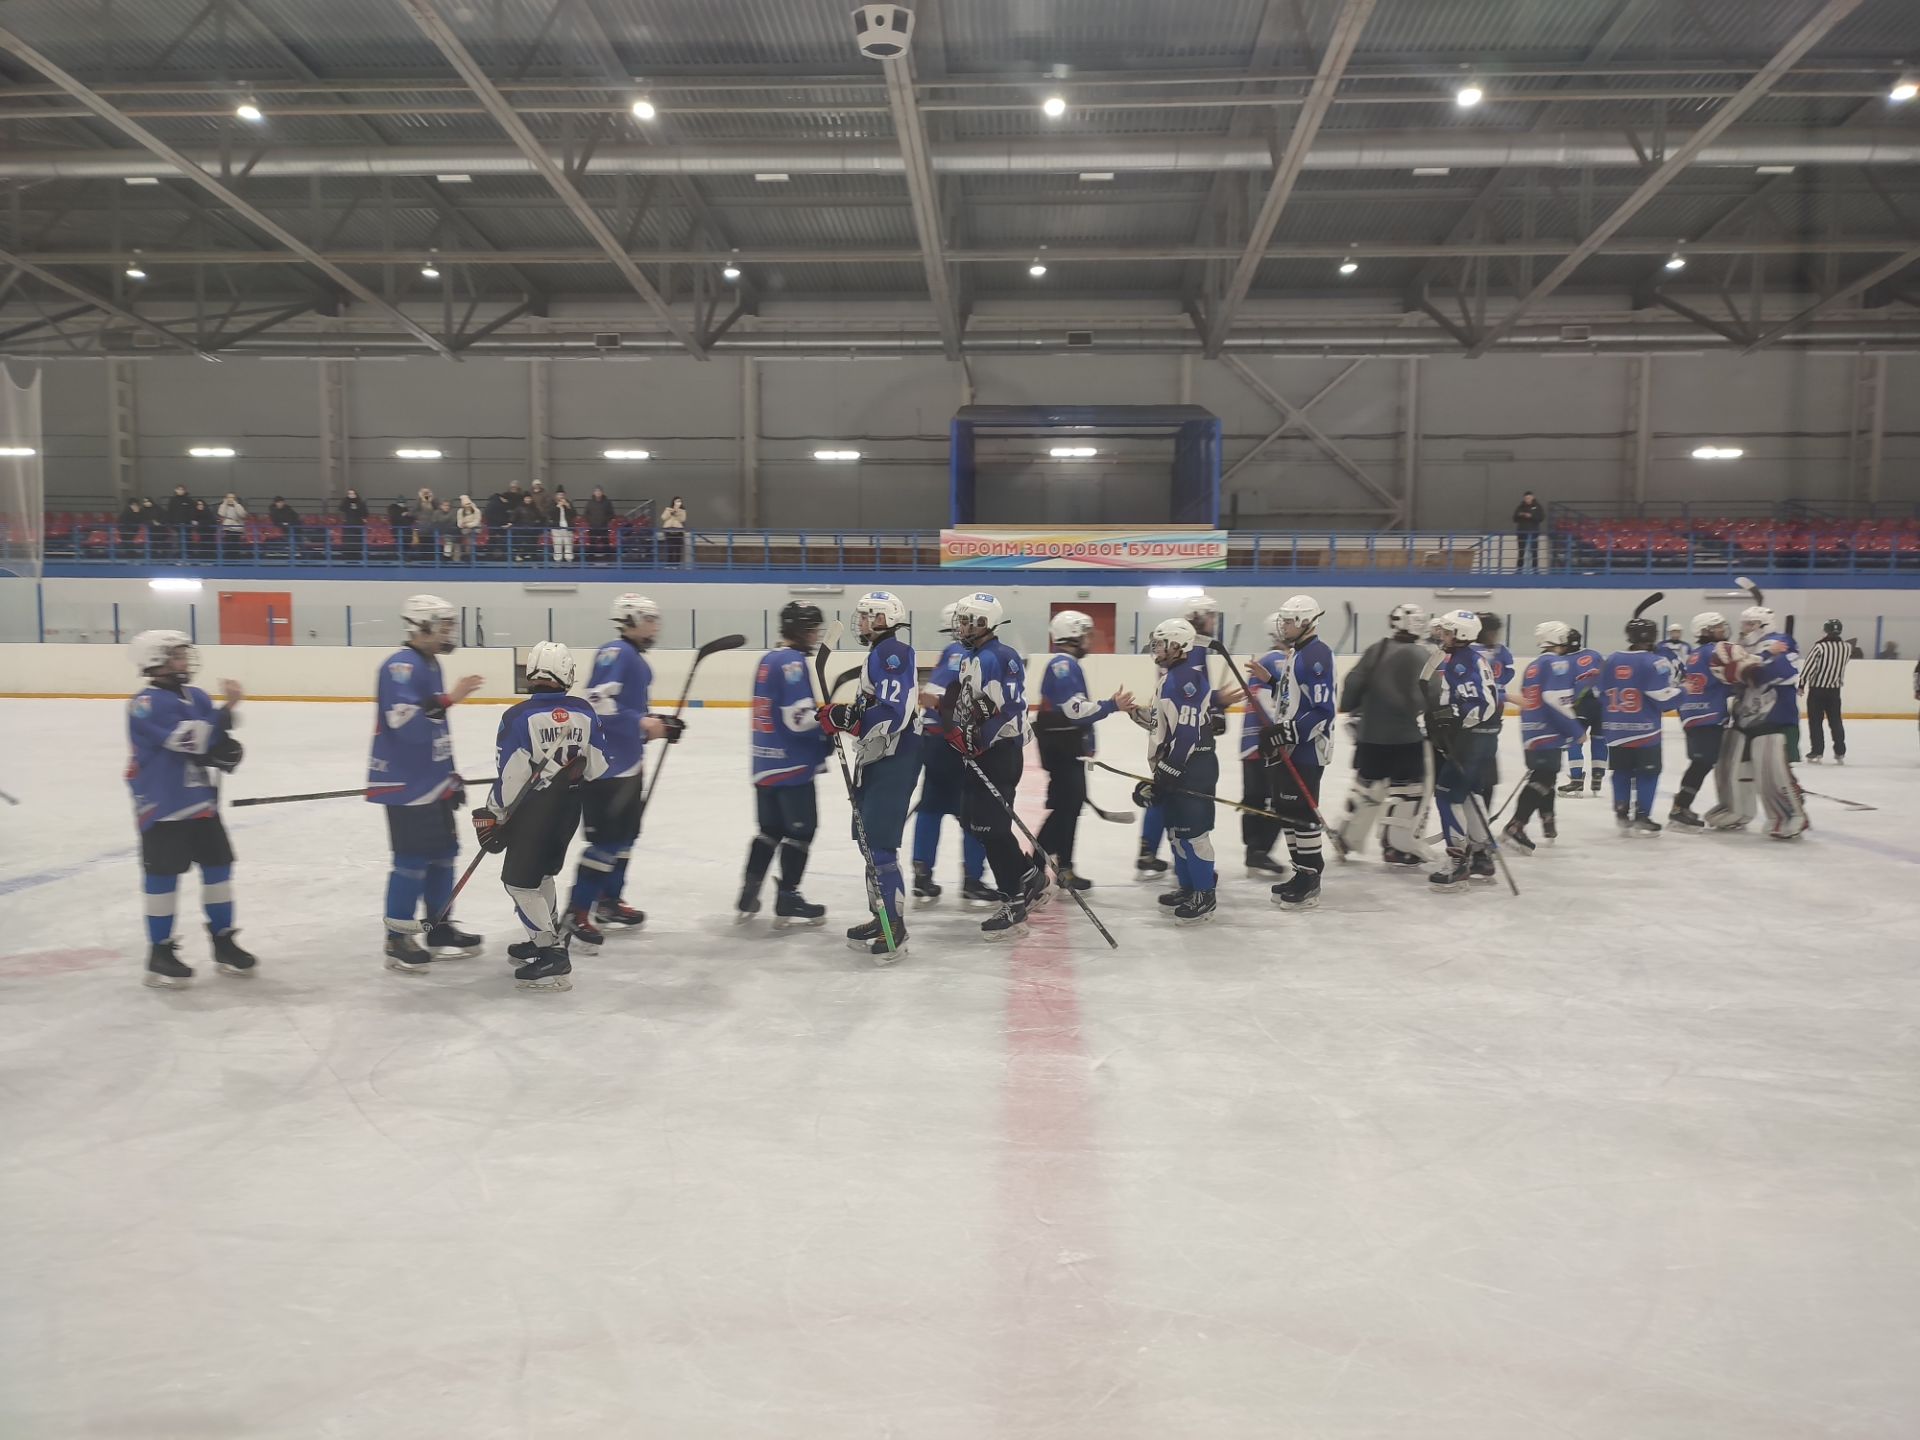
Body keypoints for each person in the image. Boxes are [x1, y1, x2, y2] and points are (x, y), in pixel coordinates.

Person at [474, 642, 609, 992]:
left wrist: (494, 813)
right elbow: (598, 766)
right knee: (543, 874)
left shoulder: (518, 717)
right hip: (568, 811)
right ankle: (543, 940)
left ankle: (551, 954)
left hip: (532, 813)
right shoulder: (584, 711)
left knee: (518, 882)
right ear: (566, 673)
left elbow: (511, 778)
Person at [124, 630, 255, 987]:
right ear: (154, 661)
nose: (184, 661)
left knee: (219, 869)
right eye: (176, 655)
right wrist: (226, 711)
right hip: (163, 804)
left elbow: (209, 736)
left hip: (200, 803)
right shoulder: (145, 704)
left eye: (184, 654)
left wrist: (223, 748)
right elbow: (191, 738)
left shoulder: (194, 695)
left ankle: (224, 940)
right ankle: (160, 951)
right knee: (163, 877)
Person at [368, 594, 487, 972]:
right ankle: (398, 937)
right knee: (411, 861)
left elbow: (436, 730)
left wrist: (449, 774)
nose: (450, 632)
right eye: (444, 625)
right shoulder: (399, 667)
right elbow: (407, 725)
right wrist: (451, 699)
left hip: (432, 782)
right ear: (421, 626)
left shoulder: (430, 663)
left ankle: (439, 927)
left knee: (444, 855)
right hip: (404, 784)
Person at [568, 593, 683, 942]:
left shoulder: (633, 658)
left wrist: (658, 724)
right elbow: (595, 701)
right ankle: (577, 911)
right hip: (607, 771)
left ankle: (609, 902)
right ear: (631, 620)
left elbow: (625, 709)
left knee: (625, 839)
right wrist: (643, 724)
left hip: (627, 765)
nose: (656, 626)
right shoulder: (617, 653)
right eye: (650, 619)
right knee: (605, 842)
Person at [820, 590, 922, 961]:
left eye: (867, 616)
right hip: (879, 755)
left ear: (885, 619)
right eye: (860, 615)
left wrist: (848, 718)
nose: (860, 622)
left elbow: (895, 712)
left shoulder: (892, 652)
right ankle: (881, 916)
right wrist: (844, 717)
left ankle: (894, 925)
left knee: (878, 842)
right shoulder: (878, 653)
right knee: (865, 839)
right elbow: (871, 710)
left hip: (896, 757)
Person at [736, 602, 832, 928]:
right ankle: (788, 895)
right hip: (792, 765)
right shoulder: (792, 663)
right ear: (800, 630)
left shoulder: (768, 659)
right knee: (802, 831)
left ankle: (748, 892)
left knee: (769, 831)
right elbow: (798, 717)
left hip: (764, 763)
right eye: (812, 629)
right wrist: (830, 723)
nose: (816, 635)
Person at [1332, 602, 1437, 866]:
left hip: (1369, 736)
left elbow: (1352, 685)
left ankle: (1347, 834)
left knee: (1367, 786)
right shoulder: (1421, 654)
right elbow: (1432, 695)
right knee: (1409, 791)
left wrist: (1354, 708)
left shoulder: (1375, 649)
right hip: (1404, 737)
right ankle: (1396, 845)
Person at [1032, 610, 1130, 890]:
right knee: (1064, 809)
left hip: (1066, 747)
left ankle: (1063, 867)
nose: (1090, 639)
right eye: (1086, 634)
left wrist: (1088, 742)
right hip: (1061, 750)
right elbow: (1075, 711)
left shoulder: (1067, 664)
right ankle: (1033, 867)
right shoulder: (1062, 666)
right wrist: (1112, 705)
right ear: (1073, 635)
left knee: (1069, 808)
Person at [1133, 618, 1222, 924]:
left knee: (1193, 835)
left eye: (1160, 643)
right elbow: (1166, 726)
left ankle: (1204, 894)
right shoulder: (1171, 677)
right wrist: (1138, 715)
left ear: (1177, 645)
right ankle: (1188, 887)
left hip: (1192, 767)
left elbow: (1187, 735)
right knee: (1176, 834)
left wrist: (1167, 773)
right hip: (1178, 766)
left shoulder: (1185, 680)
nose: (1155, 649)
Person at [1251, 595, 1337, 910]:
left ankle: (1311, 877)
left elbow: (1322, 710)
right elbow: (1294, 698)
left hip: (1307, 749)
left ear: (1304, 622)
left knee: (1302, 815)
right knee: (1287, 812)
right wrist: (1272, 681)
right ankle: (1300, 870)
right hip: (1288, 746)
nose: (1282, 626)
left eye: (1287, 621)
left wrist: (1287, 732)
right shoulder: (1298, 653)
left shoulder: (1316, 655)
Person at [911, 601, 991, 905]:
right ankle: (972, 879)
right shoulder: (966, 655)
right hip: (954, 744)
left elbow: (932, 696)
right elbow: (945, 700)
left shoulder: (948, 653)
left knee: (930, 808)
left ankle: (922, 874)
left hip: (932, 743)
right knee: (971, 813)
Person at [1707, 604, 1807, 840]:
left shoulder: (1782, 641)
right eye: (1744, 624)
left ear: (1764, 624)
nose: (1745, 629)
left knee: (1771, 770)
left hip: (1774, 716)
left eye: (1750, 624)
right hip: (1744, 716)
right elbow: (1740, 673)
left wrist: (1756, 661)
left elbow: (1784, 673)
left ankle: (1789, 814)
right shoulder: (1746, 647)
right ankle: (1735, 809)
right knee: (1730, 766)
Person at [1424, 609, 1500, 891]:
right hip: (1479, 739)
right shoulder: (1462, 658)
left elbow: (1483, 705)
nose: (1442, 636)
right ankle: (1482, 854)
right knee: (1469, 793)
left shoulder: (1463, 662)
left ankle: (1458, 862)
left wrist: (1451, 718)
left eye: (1447, 632)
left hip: (1472, 740)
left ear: (1461, 634)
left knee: (1447, 794)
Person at [1502, 622, 1581, 853]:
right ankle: (1516, 826)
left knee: (1545, 777)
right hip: (1548, 730)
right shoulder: (1557, 662)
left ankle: (1548, 818)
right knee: (1543, 779)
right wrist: (1575, 730)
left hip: (1532, 729)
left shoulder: (1535, 664)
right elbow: (1555, 699)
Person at [1601, 612, 1683, 835]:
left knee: (1621, 771)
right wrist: (1684, 692)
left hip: (1616, 730)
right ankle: (1642, 816)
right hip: (1645, 731)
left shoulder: (1612, 659)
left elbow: (1601, 691)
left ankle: (1620, 811)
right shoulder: (1654, 661)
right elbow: (1663, 697)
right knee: (1648, 773)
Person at [1238, 611, 1291, 879]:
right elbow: (1267, 701)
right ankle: (1258, 851)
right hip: (1265, 744)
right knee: (1271, 799)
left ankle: (1256, 852)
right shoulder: (1276, 660)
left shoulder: (1275, 659)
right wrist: (1282, 730)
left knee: (1257, 799)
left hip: (1256, 743)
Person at [1669, 612, 1733, 831]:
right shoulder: (1713, 650)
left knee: (1702, 762)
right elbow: (1730, 676)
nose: (1722, 630)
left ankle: (1681, 806)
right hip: (1707, 714)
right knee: (1703, 762)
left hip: (1694, 713)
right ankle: (1679, 808)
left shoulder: (1697, 653)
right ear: (1704, 631)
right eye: (1716, 627)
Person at [1471, 612, 1514, 806]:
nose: (1495, 635)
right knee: (1480, 768)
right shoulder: (1469, 652)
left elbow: (1509, 672)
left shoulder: (1499, 650)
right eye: (1493, 631)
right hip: (1475, 717)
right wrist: (1500, 692)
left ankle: (1480, 820)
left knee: (1487, 767)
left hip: (1493, 716)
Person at [1561, 628, 1608, 797]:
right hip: (1602, 703)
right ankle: (1597, 776)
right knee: (1599, 739)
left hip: (1579, 704)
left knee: (1574, 740)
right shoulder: (1594, 654)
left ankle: (1576, 780)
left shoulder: (1562, 660)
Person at [1800, 618, 1850, 764]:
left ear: (1826, 630)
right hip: (1835, 690)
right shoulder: (1846, 647)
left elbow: (1809, 666)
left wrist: (1802, 684)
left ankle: (1817, 751)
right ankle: (1840, 751)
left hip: (1817, 690)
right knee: (1836, 721)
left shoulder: (1820, 647)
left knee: (1816, 721)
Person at [1512, 490, 1545, 571]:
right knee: (1521, 552)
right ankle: (1519, 569)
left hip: (1533, 532)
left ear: (1533, 497)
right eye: (1526, 498)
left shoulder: (1537, 507)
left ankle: (1535, 569)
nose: (1527, 499)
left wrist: (1531, 516)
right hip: (1522, 532)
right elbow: (1514, 518)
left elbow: (1541, 517)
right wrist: (1520, 515)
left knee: (1534, 552)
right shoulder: (1520, 507)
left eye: (1529, 498)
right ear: (1524, 498)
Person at [584, 486, 615, 562]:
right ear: (594, 493)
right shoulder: (590, 502)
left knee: (606, 542)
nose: (598, 493)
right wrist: (590, 521)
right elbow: (585, 514)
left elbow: (611, 514)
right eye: (596, 491)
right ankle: (591, 559)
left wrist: (606, 520)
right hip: (593, 526)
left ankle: (609, 559)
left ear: (602, 492)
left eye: (599, 491)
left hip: (604, 526)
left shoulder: (607, 502)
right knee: (592, 542)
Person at [164, 483, 195, 553]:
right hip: (176, 526)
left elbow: (192, 511)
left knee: (187, 542)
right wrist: (170, 523)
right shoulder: (172, 500)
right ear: (175, 490)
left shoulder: (189, 500)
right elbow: (169, 511)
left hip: (187, 526)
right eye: (179, 489)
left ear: (185, 491)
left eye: (182, 490)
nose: (180, 491)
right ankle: (178, 559)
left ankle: (187, 558)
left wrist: (192, 520)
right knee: (177, 543)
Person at [549, 486, 576, 564]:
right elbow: (550, 515)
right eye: (559, 495)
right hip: (556, 528)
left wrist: (568, 506)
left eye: (562, 495)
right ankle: (558, 560)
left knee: (568, 544)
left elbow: (574, 514)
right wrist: (558, 506)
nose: (561, 496)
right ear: (556, 495)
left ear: (564, 495)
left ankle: (569, 559)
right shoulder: (552, 503)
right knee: (557, 544)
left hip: (567, 527)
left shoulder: (568, 503)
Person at [339, 488, 369, 555]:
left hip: (358, 525)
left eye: (352, 493)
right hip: (348, 525)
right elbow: (341, 509)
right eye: (349, 494)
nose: (351, 495)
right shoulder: (345, 503)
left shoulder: (361, 503)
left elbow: (365, 513)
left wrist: (357, 508)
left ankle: (358, 555)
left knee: (357, 543)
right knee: (348, 542)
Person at [661, 494, 688, 566]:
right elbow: (663, 518)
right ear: (673, 502)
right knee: (670, 548)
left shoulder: (682, 511)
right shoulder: (668, 509)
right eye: (677, 501)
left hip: (678, 531)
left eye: (679, 501)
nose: (678, 503)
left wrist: (677, 513)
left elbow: (683, 519)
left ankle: (677, 565)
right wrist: (671, 513)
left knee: (678, 549)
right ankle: (669, 564)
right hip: (668, 531)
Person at [455, 494, 482, 561]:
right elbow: (459, 523)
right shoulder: (460, 511)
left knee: (470, 537)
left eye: (468, 504)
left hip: (476, 528)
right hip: (465, 529)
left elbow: (477, 522)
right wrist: (464, 525)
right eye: (465, 504)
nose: (467, 505)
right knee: (468, 537)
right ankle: (468, 555)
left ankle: (469, 555)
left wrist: (468, 525)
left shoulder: (477, 511)